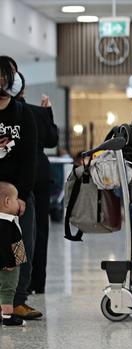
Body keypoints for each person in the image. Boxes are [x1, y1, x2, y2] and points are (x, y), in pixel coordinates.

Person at [0, 56, 42, 320]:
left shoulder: (22, 112)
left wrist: (22, 195)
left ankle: (17, 301)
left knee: (21, 247)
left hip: (18, 196)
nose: (4, 81)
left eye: (8, 76)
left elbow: (30, 157)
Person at [14, 72, 59, 294]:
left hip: (16, 177)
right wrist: (48, 112)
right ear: (24, 88)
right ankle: (36, 281)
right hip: (40, 174)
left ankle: (19, 281)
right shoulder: (37, 112)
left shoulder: (10, 113)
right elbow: (52, 140)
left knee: (17, 233)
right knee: (40, 231)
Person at [0, 182, 27, 327]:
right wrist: (9, 263)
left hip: (8, 261)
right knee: (8, 289)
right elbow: (4, 246)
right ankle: (8, 316)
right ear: (7, 201)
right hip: (8, 264)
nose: (18, 203)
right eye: (17, 200)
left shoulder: (7, 220)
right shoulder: (4, 223)